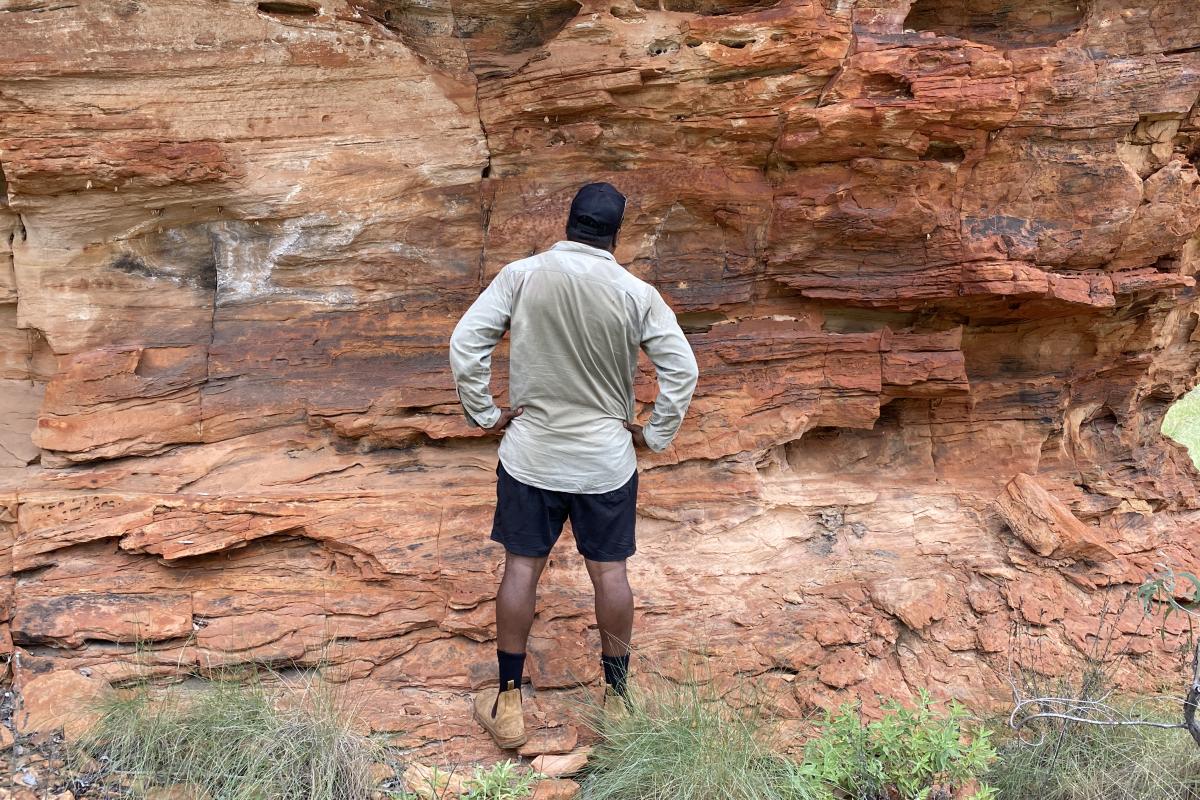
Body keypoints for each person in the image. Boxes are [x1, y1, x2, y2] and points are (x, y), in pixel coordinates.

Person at [448, 182, 699, 749]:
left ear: (569, 222)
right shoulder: (637, 292)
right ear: (616, 233)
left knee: (520, 570)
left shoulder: (522, 275)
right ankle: (618, 702)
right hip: (604, 463)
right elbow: (683, 370)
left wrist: (485, 414)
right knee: (610, 574)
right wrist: (654, 434)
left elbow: (466, 344)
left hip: (531, 455)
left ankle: (509, 705)